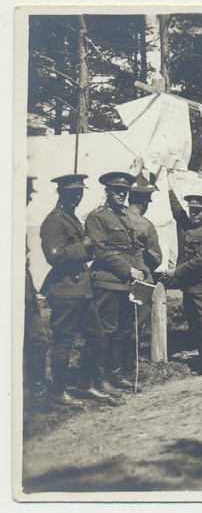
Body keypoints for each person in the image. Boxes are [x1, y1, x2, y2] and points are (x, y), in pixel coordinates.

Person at [40, 174, 114, 405]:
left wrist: (88, 249)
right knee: (64, 340)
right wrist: (83, 246)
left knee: (96, 336)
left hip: (82, 289)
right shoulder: (54, 221)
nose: (77, 198)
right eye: (72, 194)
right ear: (61, 194)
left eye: (80, 193)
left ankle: (85, 384)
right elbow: (55, 256)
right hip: (65, 290)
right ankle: (58, 391)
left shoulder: (72, 219)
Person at [85, 171, 145, 393]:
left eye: (124, 191)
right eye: (116, 191)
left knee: (122, 329)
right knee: (106, 330)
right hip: (107, 281)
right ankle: (99, 378)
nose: (121, 194)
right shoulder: (97, 216)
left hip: (126, 282)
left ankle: (116, 373)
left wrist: (140, 268)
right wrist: (128, 269)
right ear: (107, 192)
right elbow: (100, 251)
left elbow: (135, 247)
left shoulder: (125, 217)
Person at [161, 171, 202, 376]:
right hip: (188, 285)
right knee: (194, 323)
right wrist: (166, 185)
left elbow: (200, 261)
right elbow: (176, 209)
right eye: (192, 209)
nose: (194, 213)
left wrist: (175, 271)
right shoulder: (187, 223)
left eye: (198, 210)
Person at [126, 172, 163, 381]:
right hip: (141, 280)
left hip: (119, 277)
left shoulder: (118, 217)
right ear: (145, 202)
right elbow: (156, 257)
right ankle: (132, 367)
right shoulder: (145, 224)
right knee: (137, 323)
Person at [24, 176, 51, 409]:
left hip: (25, 290)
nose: (30, 197)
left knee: (37, 341)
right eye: (27, 191)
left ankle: (38, 397)